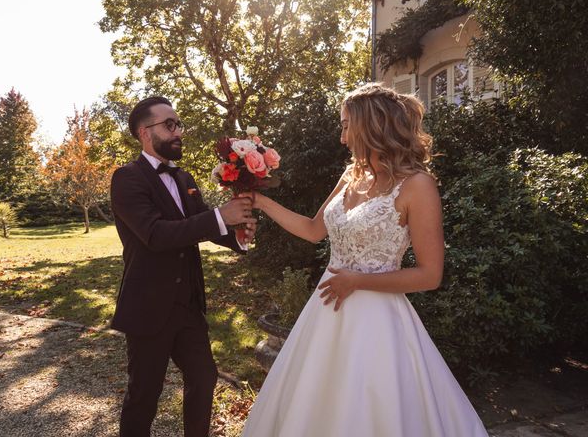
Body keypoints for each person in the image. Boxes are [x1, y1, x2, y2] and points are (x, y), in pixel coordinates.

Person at [240, 83, 489, 436]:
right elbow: (313, 230)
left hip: (378, 322)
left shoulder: (417, 186)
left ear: (369, 126)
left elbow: (430, 274)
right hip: (326, 312)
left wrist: (357, 281)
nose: (342, 137)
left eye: (345, 126)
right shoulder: (350, 176)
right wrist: (261, 202)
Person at [110, 96, 256, 437]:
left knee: (204, 380)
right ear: (145, 133)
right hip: (148, 307)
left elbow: (201, 223)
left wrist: (239, 236)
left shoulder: (184, 178)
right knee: (144, 395)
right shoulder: (127, 179)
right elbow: (155, 234)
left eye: (179, 125)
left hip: (188, 305)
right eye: (170, 125)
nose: (179, 132)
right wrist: (221, 216)